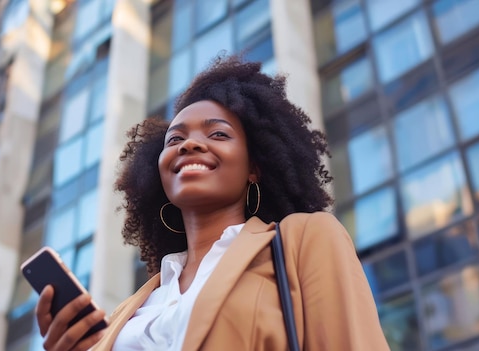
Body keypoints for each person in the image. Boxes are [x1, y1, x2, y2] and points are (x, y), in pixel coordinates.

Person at [35, 55, 390, 350]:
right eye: (175, 140)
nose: (188, 145)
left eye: (218, 133)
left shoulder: (303, 240)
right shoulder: (130, 312)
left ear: (254, 166)